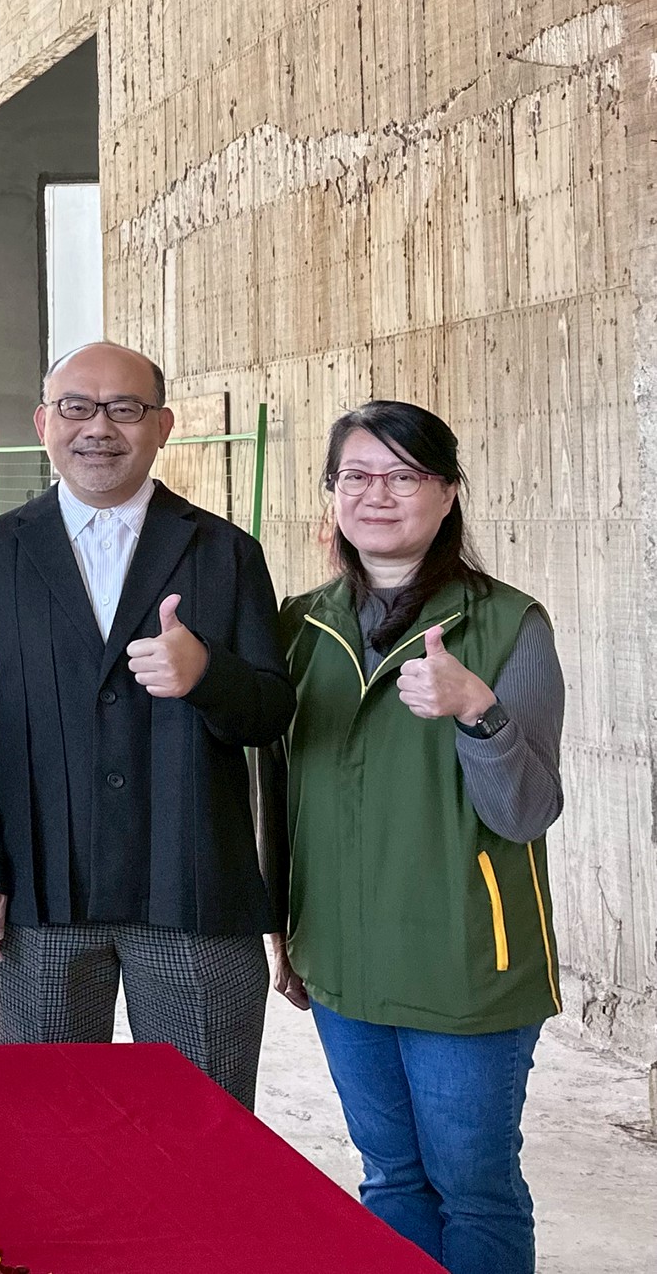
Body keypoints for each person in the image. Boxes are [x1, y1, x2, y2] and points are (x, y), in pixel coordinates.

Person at [0, 341, 292, 1107]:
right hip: (41, 893)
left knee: (204, 1129)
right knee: (47, 1124)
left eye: (125, 408)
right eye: (77, 407)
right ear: (43, 423)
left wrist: (208, 674)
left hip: (195, 890)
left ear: (162, 425)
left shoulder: (225, 553)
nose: (99, 427)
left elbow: (271, 712)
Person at [263, 402, 564, 1274]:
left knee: (474, 1187)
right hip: (343, 958)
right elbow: (277, 795)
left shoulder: (509, 623)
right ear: (331, 492)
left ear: (448, 492)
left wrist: (478, 711)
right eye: (356, 475)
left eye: (404, 475)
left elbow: (526, 811)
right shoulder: (298, 626)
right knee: (390, 1177)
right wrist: (286, 928)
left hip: (466, 964)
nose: (378, 494)